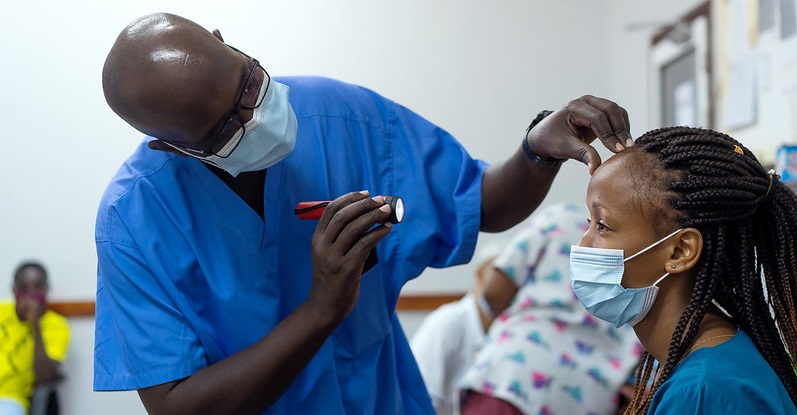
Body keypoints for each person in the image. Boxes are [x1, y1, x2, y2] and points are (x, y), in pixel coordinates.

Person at [94, 12, 634, 415]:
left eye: (249, 85)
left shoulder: (341, 116)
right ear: (170, 147)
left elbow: (481, 204)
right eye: (223, 131)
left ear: (224, 40)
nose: (255, 119)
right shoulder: (133, 222)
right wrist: (321, 309)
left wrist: (537, 151)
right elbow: (177, 407)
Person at [570, 126, 797, 414]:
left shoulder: (700, 394)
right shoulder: (714, 353)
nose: (582, 243)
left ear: (680, 251)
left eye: (602, 226)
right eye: (589, 222)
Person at [457, 203, 642, 415]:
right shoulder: (649, 256)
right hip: (585, 397)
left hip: (513, 377)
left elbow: (493, 293)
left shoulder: (561, 219)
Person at [409, 240, 505, 415]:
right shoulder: (447, 323)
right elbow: (419, 400)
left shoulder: (507, 330)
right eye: (498, 274)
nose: (504, 287)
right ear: (480, 275)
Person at [0, 262, 70, 415]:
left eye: (37, 287)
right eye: (24, 288)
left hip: (9, 400)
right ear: (14, 290)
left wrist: (35, 324)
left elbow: (46, 376)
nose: (31, 294)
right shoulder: (1, 311)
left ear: (46, 288)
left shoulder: (56, 326)